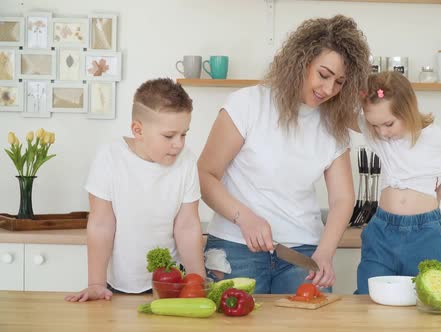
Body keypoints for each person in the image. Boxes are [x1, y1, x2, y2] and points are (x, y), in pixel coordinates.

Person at [198, 15, 370, 294]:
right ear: (301, 62)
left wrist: (325, 252)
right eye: (323, 75)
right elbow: (205, 175)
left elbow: (342, 199)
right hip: (235, 246)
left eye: (340, 82)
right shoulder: (248, 104)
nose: (328, 90)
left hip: (302, 252)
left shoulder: (333, 125)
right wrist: (244, 217)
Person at [65, 78, 206, 302]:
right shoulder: (109, 158)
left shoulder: (186, 162)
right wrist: (96, 284)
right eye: (169, 136)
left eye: (184, 134)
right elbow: (101, 225)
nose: (179, 144)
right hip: (117, 287)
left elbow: (187, 226)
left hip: (170, 285)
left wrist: (198, 282)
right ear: (138, 130)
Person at [352, 71, 441, 294]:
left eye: (388, 124)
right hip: (382, 231)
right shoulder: (377, 131)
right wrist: (359, 92)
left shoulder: (436, 138)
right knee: (369, 296)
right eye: (374, 125)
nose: (382, 132)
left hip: (425, 234)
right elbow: (340, 115)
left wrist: (440, 194)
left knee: (427, 299)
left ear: (407, 109)